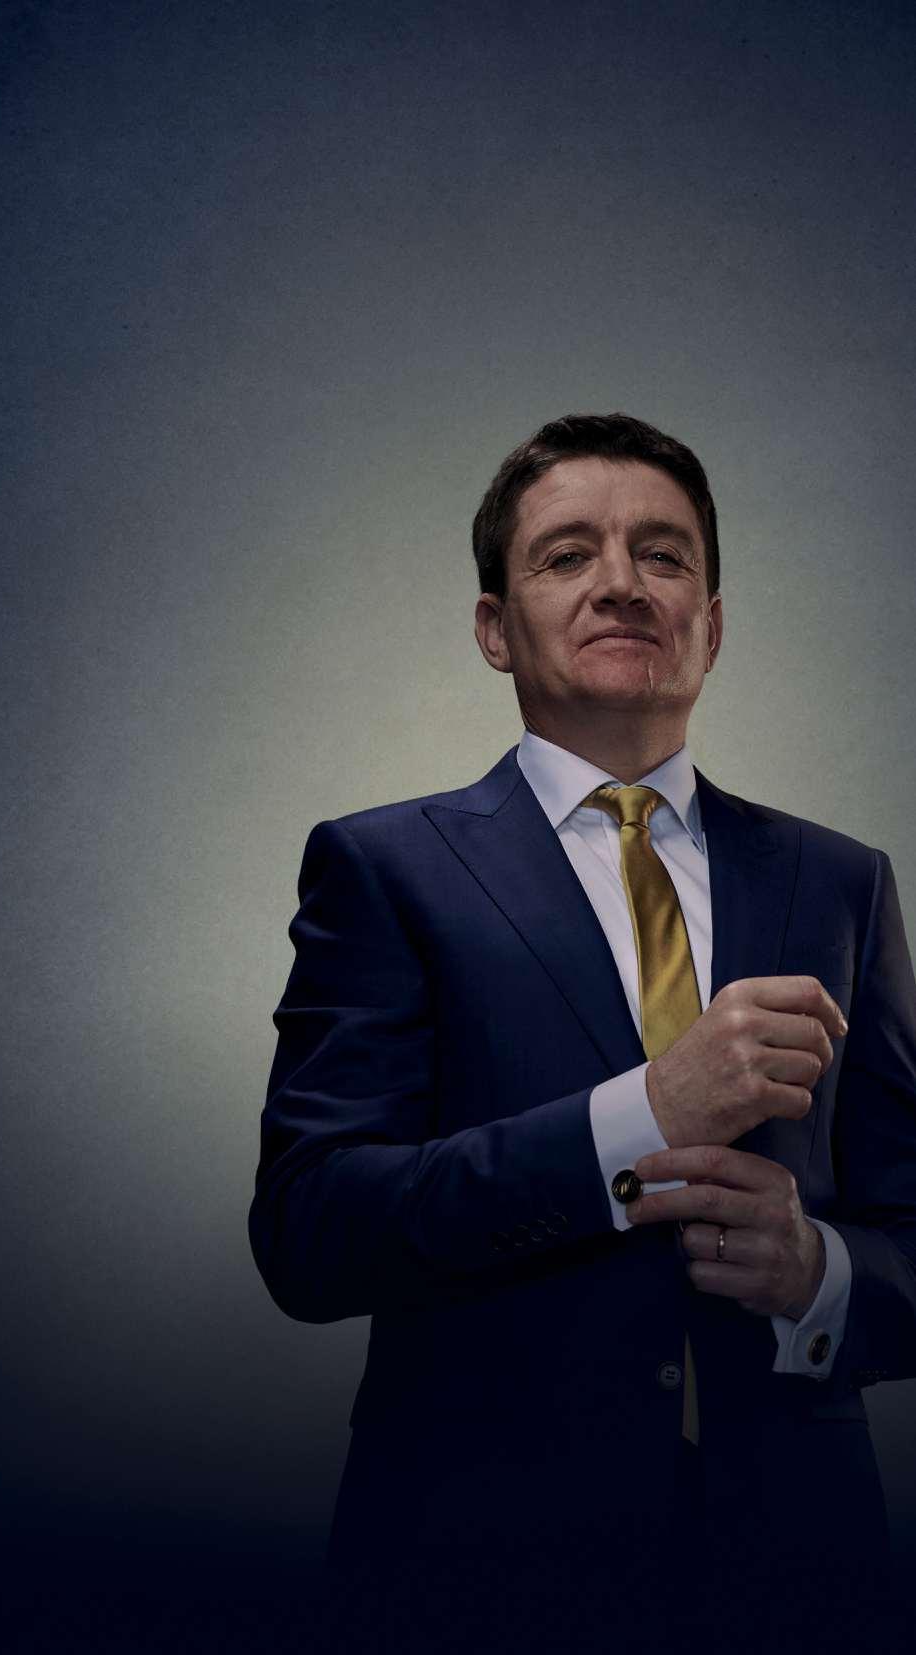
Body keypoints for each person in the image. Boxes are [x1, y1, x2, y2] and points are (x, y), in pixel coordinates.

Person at [248, 414, 915, 1655]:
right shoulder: (382, 868)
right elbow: (311, 1229)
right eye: (567, 555)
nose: (621, 581)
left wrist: (818, 1272)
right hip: (475, 1570)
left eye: (662, 553)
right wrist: (643, 1116)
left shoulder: (843, 882)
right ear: (494, 627)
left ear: (711, 622)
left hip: (801, 1571)